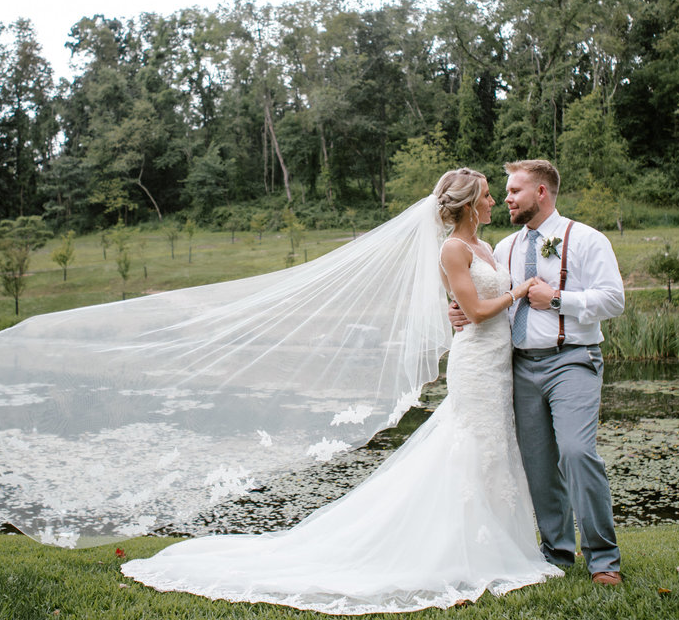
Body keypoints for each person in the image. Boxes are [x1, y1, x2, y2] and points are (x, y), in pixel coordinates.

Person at [120, 168, 561, 612]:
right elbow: (478, 309)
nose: (493, 203)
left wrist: (482, 303)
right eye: (487, 196)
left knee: (493, 449)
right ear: (469, 205)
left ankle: (498, 545)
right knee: (470, 448)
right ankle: (461, 549)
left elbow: (473, 305)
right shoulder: (451, 249)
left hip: (497, 364)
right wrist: (519, 291)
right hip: (475, 365)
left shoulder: (487, 247)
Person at [450, 159, 624, 585]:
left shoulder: (585, 239)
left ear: (541, 193)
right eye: (503, 193)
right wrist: (457, 312)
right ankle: (558, 554)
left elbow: (614, 300)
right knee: (539, 464)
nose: (506, 199)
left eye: (514, 191)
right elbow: (484, 298)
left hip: (573, 359)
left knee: (576, 452)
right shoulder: (503, 247)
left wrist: (560, 299)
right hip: (519, 366)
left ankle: (603, 559)